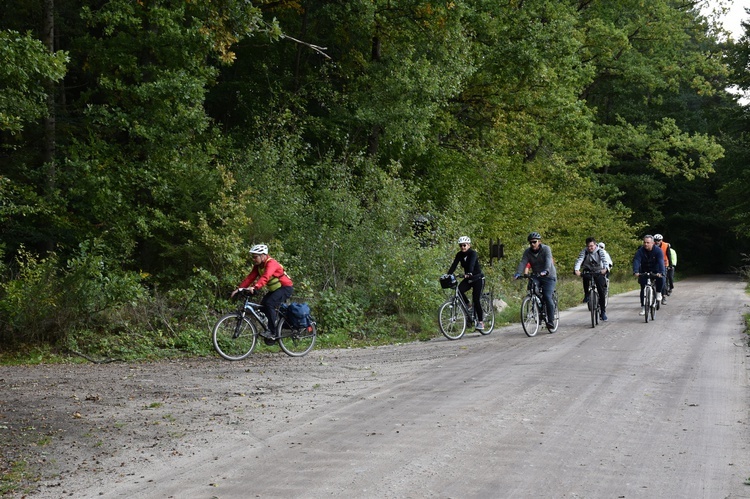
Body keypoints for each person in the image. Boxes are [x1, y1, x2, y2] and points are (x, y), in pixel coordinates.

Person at [231, 244, 294, 339]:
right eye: (253, 257)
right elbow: (250, 278)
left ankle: (273, 332)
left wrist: (255, 287)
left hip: (285, 287)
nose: (253, 259)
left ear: (263, 255)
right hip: (275, 290)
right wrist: (239, 289)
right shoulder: (258, 266)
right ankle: (274, 324)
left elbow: (265, 277)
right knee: (263, 306)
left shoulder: (271, 263)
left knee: (269, 303)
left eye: (255, 257)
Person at [514, 232, 557, 329]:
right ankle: (537, 308)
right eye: (530, 242)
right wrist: (518, 273)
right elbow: (523, 262)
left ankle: (550, 320)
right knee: (532, 289)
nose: (532, 244)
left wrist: (546, 271)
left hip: (549, 276)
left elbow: (548, 261)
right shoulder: (527, 252)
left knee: (547, 296)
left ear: (539, 242)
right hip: (536, 275)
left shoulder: (546, 249)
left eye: (534, 242)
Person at [447, 236, 485, 330]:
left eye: (464, 245)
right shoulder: (459, 254)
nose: (462, 247)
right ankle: (468, 305)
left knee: (476, 299)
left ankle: (481, 322)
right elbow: (454, 265)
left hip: (477, 278)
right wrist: (448, 275)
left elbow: (471, 264)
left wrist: (469, 273)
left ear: (469, 245)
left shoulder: (473, 253)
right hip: (468, 279)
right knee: (459, 290)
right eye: (461, 245)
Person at [573, 237, 609, 321]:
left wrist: (606, 269)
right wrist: (576, 269)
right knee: (585, 276)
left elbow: (604, 261)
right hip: (588, 270)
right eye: (588, 246)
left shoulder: (600, 251)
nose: (590, 248)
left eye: (592, 246)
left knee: (601, 291)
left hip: (599, 271)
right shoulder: (584, 251)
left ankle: (603, 312)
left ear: (595, 245)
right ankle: (586, 294)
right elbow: (579, 260)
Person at [632, 235, 665, 316]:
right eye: (644, 242)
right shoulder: (640, 251)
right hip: (644, 270)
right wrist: (636, 271)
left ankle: (658, 293)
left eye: (648, 243)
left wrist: (661, 272)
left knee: (661, 278)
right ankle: (643, 307)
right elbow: (636, 260)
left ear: (653, 243)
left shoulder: (658, 251)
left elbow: (661, 262)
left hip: (656, 269)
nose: (646, 244)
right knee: (643, 288)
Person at [653, 234, 673, 301]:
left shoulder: (666, 245)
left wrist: (670, 265)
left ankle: (663, 296)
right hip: (653, 264)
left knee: (663, 279)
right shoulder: (650, 244)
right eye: (655, 240)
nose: (657, 242)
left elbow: (669, 255)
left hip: (663, 264)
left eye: (659, 240)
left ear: (661, 240)